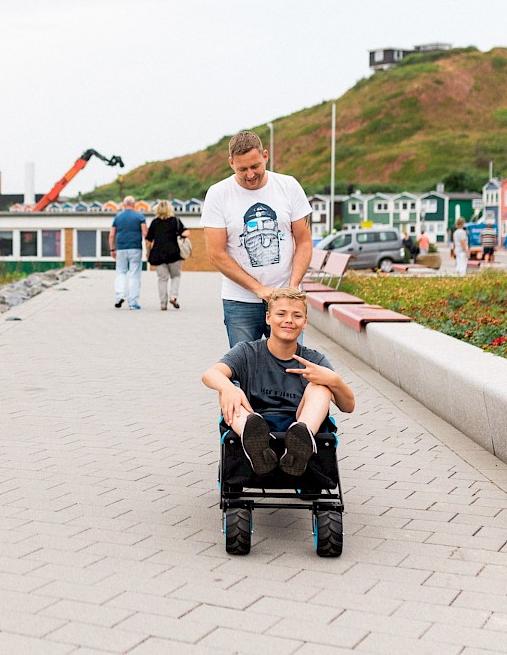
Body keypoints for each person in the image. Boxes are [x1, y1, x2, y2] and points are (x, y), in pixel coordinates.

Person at [201, 288, 355, 476]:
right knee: (227, 388)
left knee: (321, 386)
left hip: (299, 423)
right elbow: (210, 374)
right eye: (281, 314)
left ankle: (300, 444)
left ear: (305, 322)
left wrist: (334, 380)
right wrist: (228, 388)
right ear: (268, 318)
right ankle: (257, 447)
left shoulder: (313, 359)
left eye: (297, 315)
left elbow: (348, 406)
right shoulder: (247, 352)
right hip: (254, 421)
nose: (289, 320)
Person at [202, 131, 313, 348]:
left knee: (290, 368)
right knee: (244, 369)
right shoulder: (218, 194)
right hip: (240, 301)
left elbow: (304, 242)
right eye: (242, 169)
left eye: (255, 166)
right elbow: (216, 254)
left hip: (286, 299)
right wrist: (258, 289)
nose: (250, 174)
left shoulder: (288, 186)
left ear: (265, 156)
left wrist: (291, 288)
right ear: (231, 163)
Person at [145, 200, 190, 310]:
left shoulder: (154, 222)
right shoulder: (175, 221)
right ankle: (173, 297)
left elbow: (148, 241)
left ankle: (163, 304)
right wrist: (181, 235)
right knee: (176, 276)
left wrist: (148, 253)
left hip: (158, 255)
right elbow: (186, 232)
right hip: (174, 254)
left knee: (162, 279)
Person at [109, 196, 147, 309]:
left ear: (124, 205)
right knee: (135, 275)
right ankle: (132, 302)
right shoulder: (139, 216)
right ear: (134, 205)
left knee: (121, 272)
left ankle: (120, 295)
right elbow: (145, 233)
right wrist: (149, 249)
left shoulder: (118, 217)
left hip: (120, 248)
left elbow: (111, 234)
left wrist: (112, 249)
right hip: (135, 248)